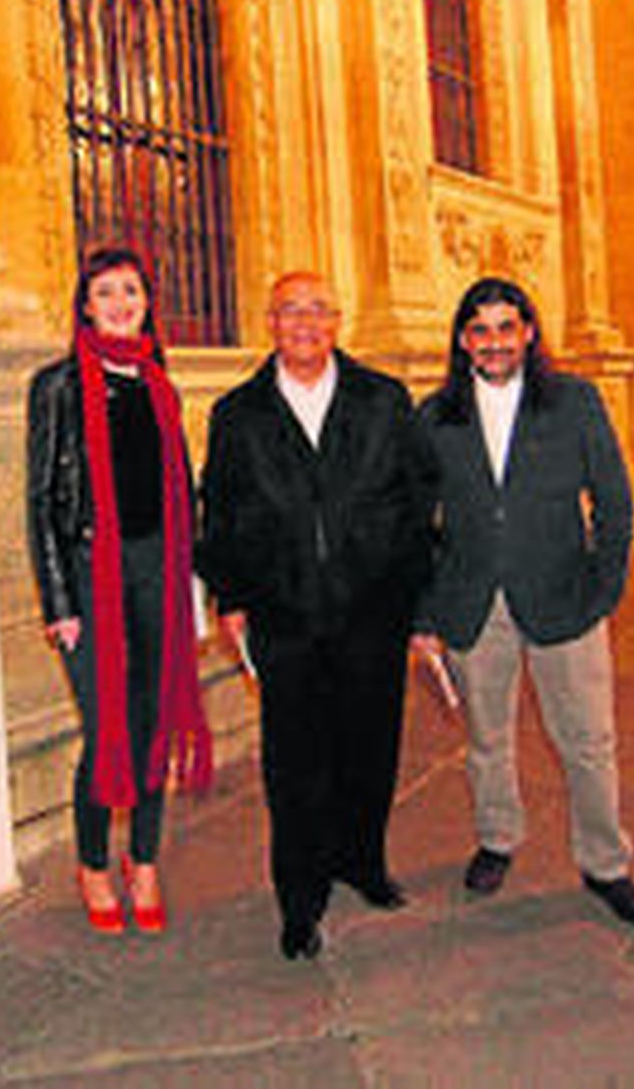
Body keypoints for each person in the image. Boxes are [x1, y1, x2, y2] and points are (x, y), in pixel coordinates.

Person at [197, 272, 433, 960]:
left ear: (338, 320)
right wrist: (230, 597)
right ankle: (300, 900)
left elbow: (418, 502)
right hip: (284, 613)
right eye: (290, 310)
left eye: (318, 309)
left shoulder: (383, 399)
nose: (304, 322)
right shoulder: (238, 412)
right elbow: (221, 511)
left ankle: (362, 861)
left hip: (372, 609)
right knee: (295, 764)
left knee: (370, 747)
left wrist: (416, 600)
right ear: (270, 322)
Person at [410, 276, 634, 927]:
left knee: (588, 740)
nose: (494, 341)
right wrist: (424, 614)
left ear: (527, 332)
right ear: (464, 341)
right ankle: (497, 838)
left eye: (506, 327)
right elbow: (415, 524)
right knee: (487, 738)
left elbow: (614, 499)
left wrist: (604, 587)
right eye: (480, 330)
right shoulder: (435, 416)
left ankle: (606, 864)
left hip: (564, 598)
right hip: (473, 602)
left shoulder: (573, 402)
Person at [26, 244, 213, 935]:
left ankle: (144, 860)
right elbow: (41, 500)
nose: (120, 303)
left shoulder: (159, 381)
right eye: (105, 292)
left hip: (158, 569)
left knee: (153, 724)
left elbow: (180, 490)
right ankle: (93, 865)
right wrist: (59, 603)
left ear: (146, 302)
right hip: (89, 574)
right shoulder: (57, 385)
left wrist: (192, 581)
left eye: (130, 291)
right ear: (85, 304)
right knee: (106, 726)